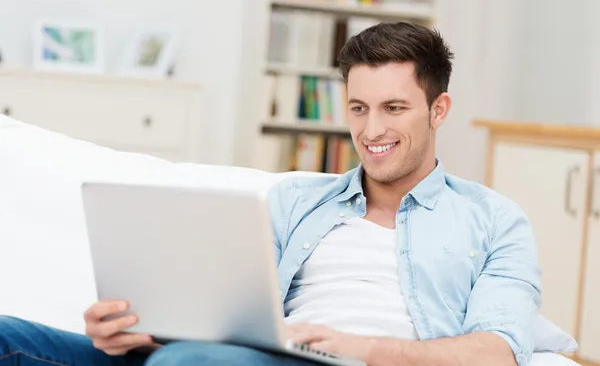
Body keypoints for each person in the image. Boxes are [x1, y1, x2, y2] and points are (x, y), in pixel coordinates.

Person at [0, 21, 541, 366]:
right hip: (236, 355)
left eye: (393, 109)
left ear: (438, 110)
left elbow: (496, 351)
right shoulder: (297, 200)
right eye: (358, 108)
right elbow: (230, 317)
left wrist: (362, 347)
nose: (371, 130)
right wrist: (140, 332)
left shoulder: (493, 219)